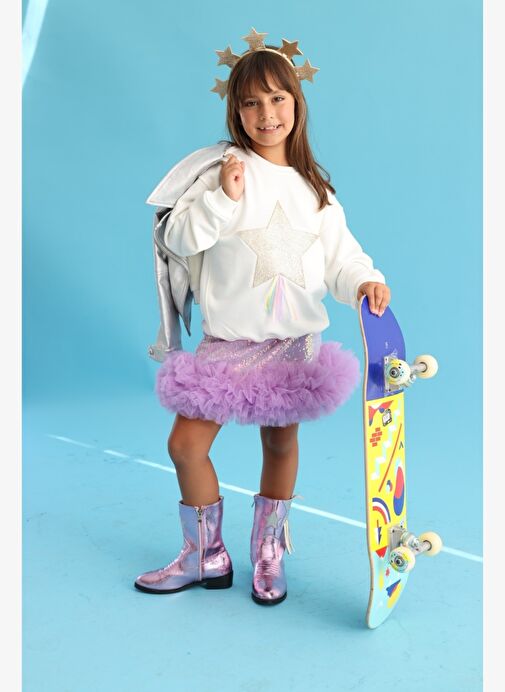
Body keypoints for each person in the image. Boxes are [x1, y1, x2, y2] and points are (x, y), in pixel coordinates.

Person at [134, 28, 391, 606]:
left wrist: (364, 280)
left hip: (292, 341)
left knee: (279, 446)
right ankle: (205, 554)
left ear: (297, 104)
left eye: (278, 99)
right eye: (251, 103)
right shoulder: (224, 173)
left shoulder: (316, 191)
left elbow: (342, 258)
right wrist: (223, 198)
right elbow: (178, 238)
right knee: (186, 445)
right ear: (236, 111)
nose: (267, 114)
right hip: (231, 343)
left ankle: (269, 551)